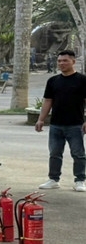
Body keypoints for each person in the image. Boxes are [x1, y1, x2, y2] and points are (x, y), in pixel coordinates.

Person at [35, 50, 86, 191]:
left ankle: (80, 180)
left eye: (65, 61)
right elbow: (47, 101)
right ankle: (53, 179)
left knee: (78, 154)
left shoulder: (82, 80)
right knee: (55, 153)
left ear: (73, 62)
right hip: (56, 124)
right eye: (59, 61)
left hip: (76, 124)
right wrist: (40, 120)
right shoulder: (53, 81)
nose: (61, 63)